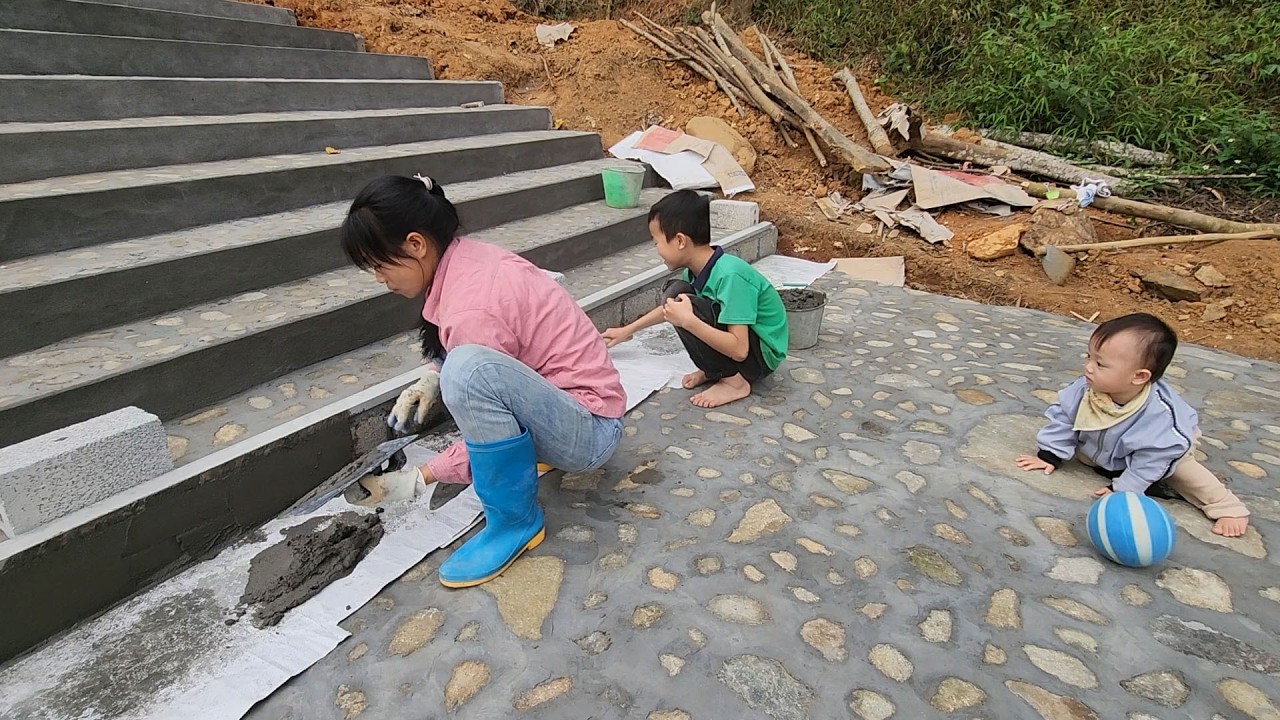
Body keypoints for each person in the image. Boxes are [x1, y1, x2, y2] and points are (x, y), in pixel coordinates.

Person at [339, 174, 626, 587]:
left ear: (416, 244)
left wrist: (422, 477)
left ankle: (515, 523)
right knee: (461, 368)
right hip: (574, 409)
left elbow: (480, 388)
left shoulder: (472, 308)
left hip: (590, 434)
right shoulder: (467, 260)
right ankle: (528, 464)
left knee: (466, 370)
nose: (379, 278)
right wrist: (431, 378)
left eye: (380, 265)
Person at [1016, 312, 1250, 537]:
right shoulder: (1086, 388)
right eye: (1088, 356)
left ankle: (1227, 508)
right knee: (1082, 451)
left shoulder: (1160, 417)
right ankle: (1116, 465)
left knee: (1180, 472)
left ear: (1139, 376)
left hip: (1166, 447)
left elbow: (1155, 455)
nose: (1088, 366)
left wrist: (1124, 490)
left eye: (1100, 364)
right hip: (1112, 441)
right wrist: (1050, 455)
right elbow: (1064, 417)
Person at [602, 190, 788, 408]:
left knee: (687, 309)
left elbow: (740, 350)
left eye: (656, 242)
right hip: (745, 349)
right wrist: (627, 330)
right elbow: (668, 308)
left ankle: (735, 382)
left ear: (680, 240)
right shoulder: (695, 271)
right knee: (678, 295)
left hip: (760, 356)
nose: (657, 250)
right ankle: (715, 371)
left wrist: (688, 321)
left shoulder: (731, 276)